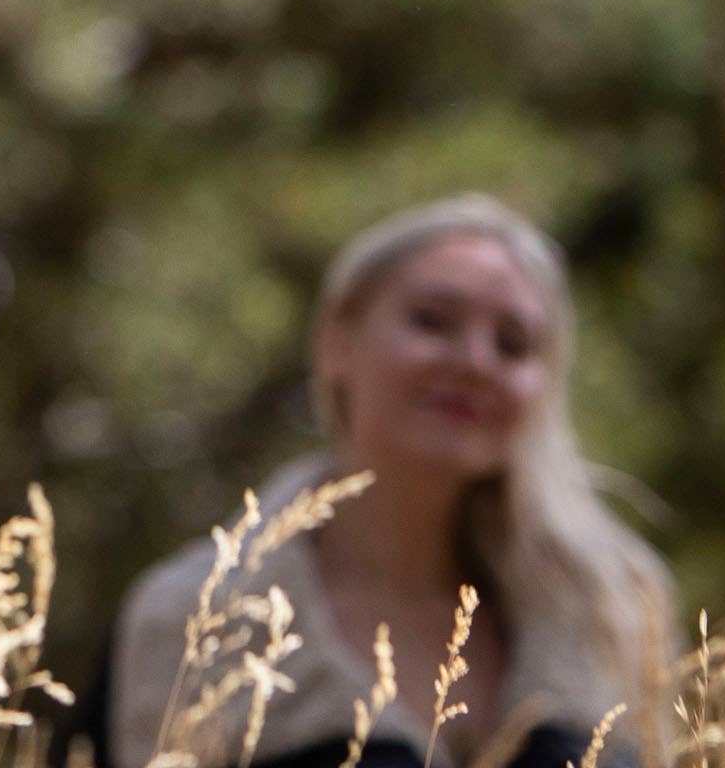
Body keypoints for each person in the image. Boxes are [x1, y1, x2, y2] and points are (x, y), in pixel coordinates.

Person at [99, 197, 675, 768]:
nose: (476, 361)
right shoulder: (194, 618)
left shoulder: (613, 604)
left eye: (513, 344)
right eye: (433, 321)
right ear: (337, 343)